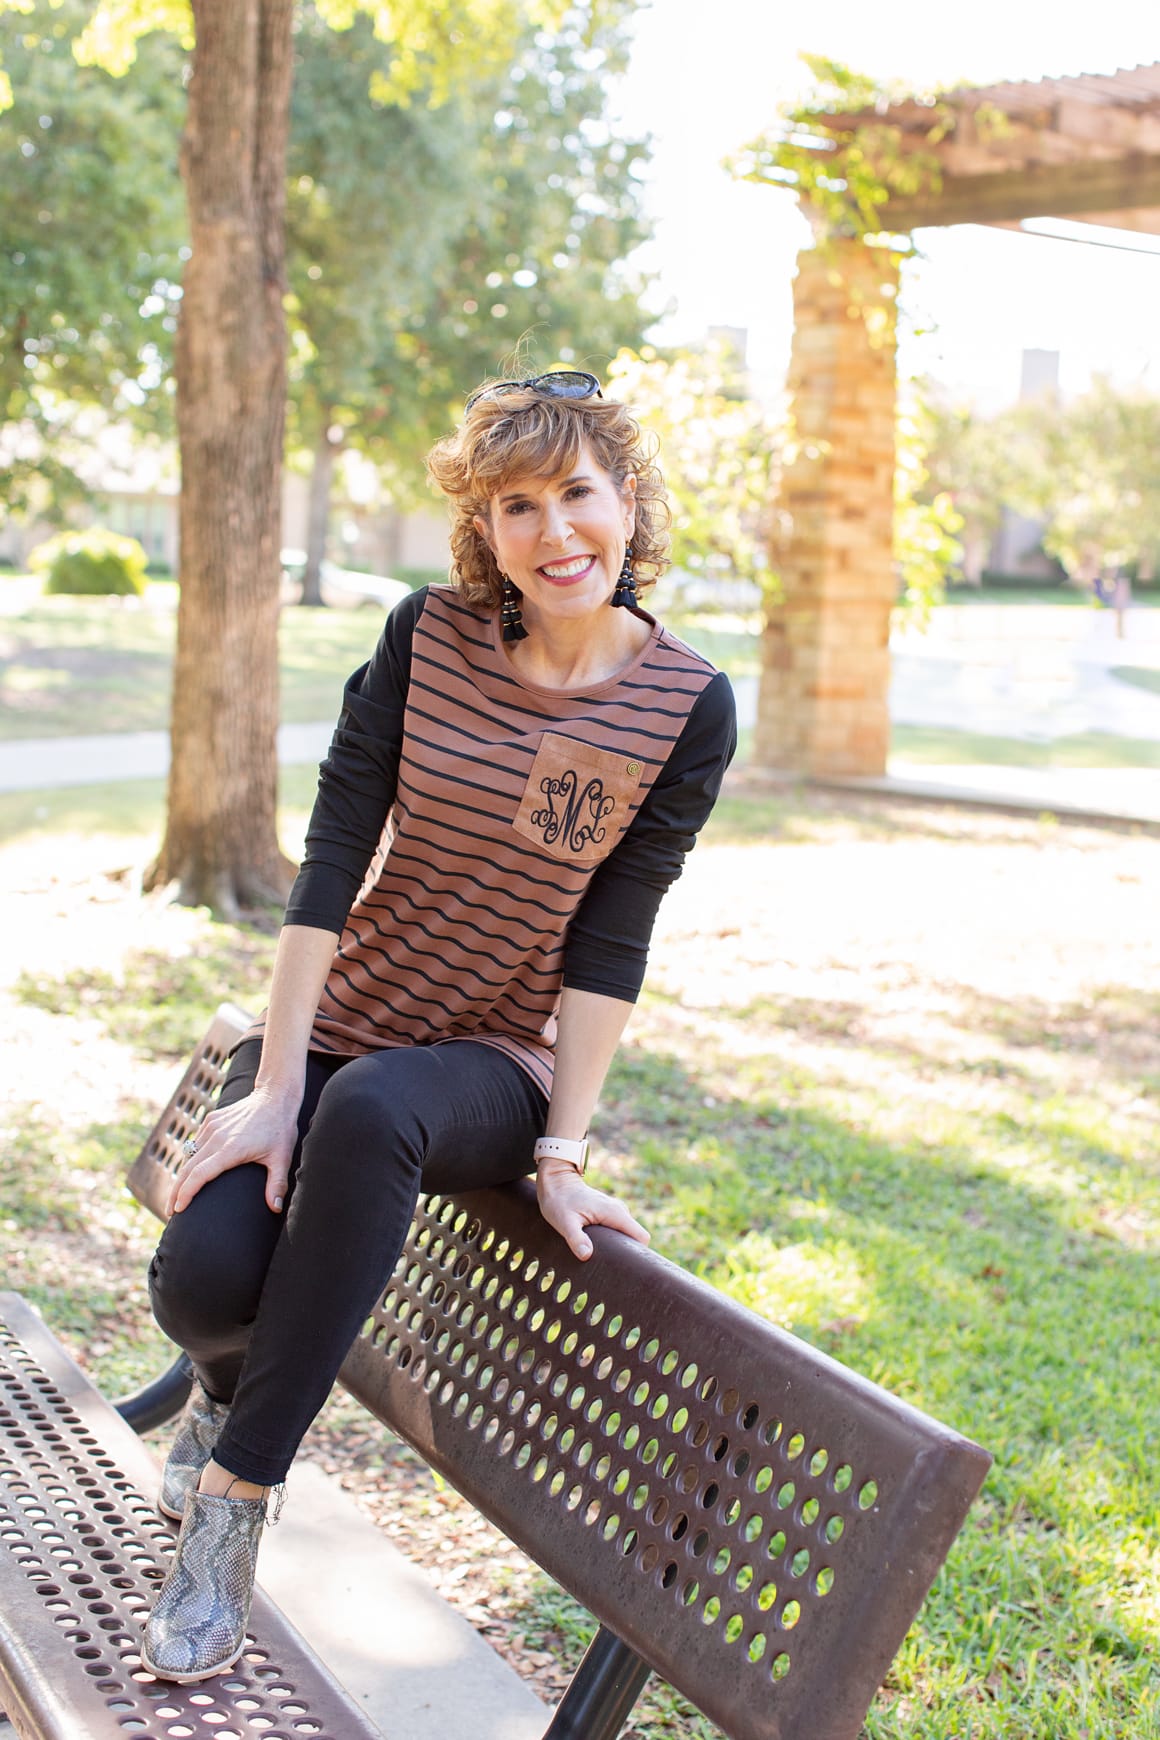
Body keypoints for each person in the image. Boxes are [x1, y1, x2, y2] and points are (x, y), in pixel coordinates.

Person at [140, 370, 737, 1683]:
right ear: (487, 526)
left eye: (578, 492)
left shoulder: (686, 705)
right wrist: (278, 1077)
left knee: (378, 1108)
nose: (554, 532)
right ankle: (222, 1381)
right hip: (345, 1024)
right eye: (517, 504)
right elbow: (333, 855)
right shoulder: (427, 638)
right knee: (199, 1283)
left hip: (491, 1066)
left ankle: (232, 1505)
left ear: (629, 502)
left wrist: (565, 1146)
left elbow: (612, 937)